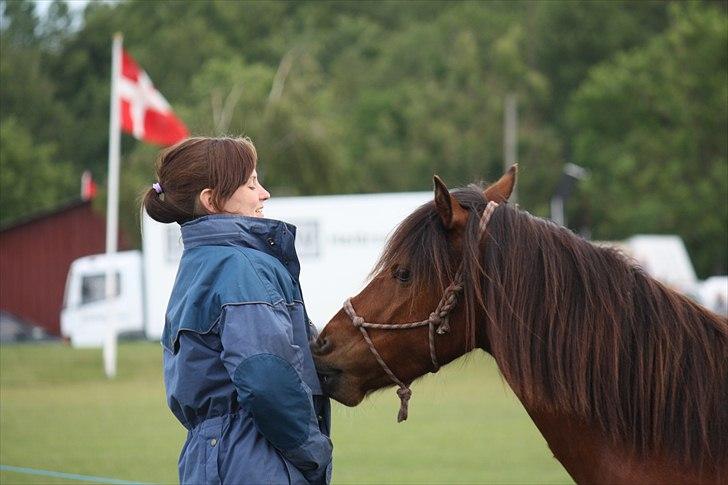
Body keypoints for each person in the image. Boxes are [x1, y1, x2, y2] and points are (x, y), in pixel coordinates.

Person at [142, 137, 332, 485]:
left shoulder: (197, 265)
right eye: (251, 183)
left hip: (206, 460)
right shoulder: (242, 266)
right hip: (256, 459)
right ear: (212, 200)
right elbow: (265, 379)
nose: (264, 193)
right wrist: (314, 453)